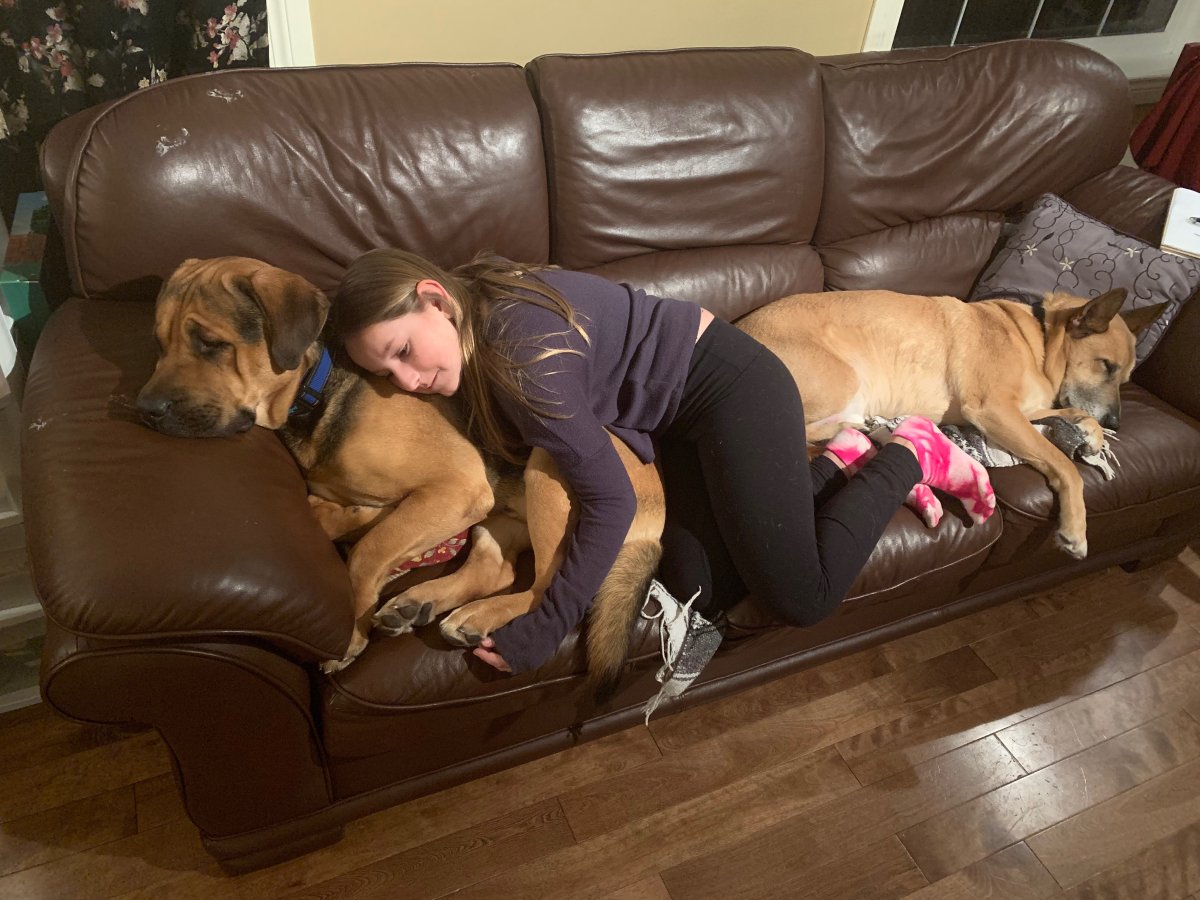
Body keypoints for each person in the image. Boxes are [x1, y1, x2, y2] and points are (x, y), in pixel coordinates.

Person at [332, 250, 995, 710]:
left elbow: (611, 500)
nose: (409, 383)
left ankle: (909, 452)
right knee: (701, 586)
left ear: (434, 299)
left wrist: (545, 625)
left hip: (735, 390)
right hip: (675, 425)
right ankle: (838, 461)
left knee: (803, 599)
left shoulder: (521, 354)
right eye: (388, 375)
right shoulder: (476, 307)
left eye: (403, 353)